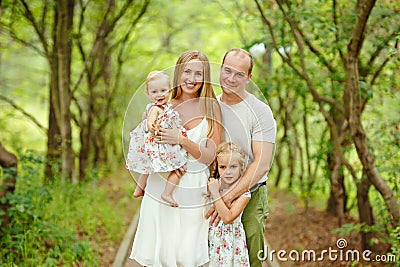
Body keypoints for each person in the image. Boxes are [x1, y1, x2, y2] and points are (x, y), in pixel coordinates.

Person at [129, 50, 222, 267]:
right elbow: (149, 145)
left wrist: (181, 140)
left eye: (198, 73)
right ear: (178, 73)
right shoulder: (163, 105)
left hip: (194, 188)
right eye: (187, 72)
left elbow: (210, 156)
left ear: (205, 77)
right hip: (161, 184)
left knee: (186, 255)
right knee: (160, 253)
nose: (191, 79)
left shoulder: (211, 106)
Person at [206, 48, 276, 267]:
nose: (231, 78)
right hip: (211, 194)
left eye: (239, 74)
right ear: (221, 69)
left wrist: (227, 199)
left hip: (250, 195)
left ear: (249, 77)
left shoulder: (259, 111)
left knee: (250, 259)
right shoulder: (210, 106)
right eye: (227, 71)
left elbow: (262, 164)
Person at [125, 70, 187, 207]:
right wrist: (154, 128)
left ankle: (139, 188)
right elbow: (150, 123)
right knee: (180, 167)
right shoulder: (155, 108)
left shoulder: (165, 107)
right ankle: (167, 193)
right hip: (160, 143)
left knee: (148, 167)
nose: (159, 94)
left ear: (169, 91)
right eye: (154, 92)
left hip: (156, 144)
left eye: (163, 90)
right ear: (148, 94)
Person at [207, 142, 250, 267]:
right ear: (217, 167)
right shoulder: (212, 184)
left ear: (241, 167)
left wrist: (215, 193)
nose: (228, 172)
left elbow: (228, 217)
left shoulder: (243, 193)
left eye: (233, 167)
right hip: (211, 239)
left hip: (232, 241)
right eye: (223, 167)